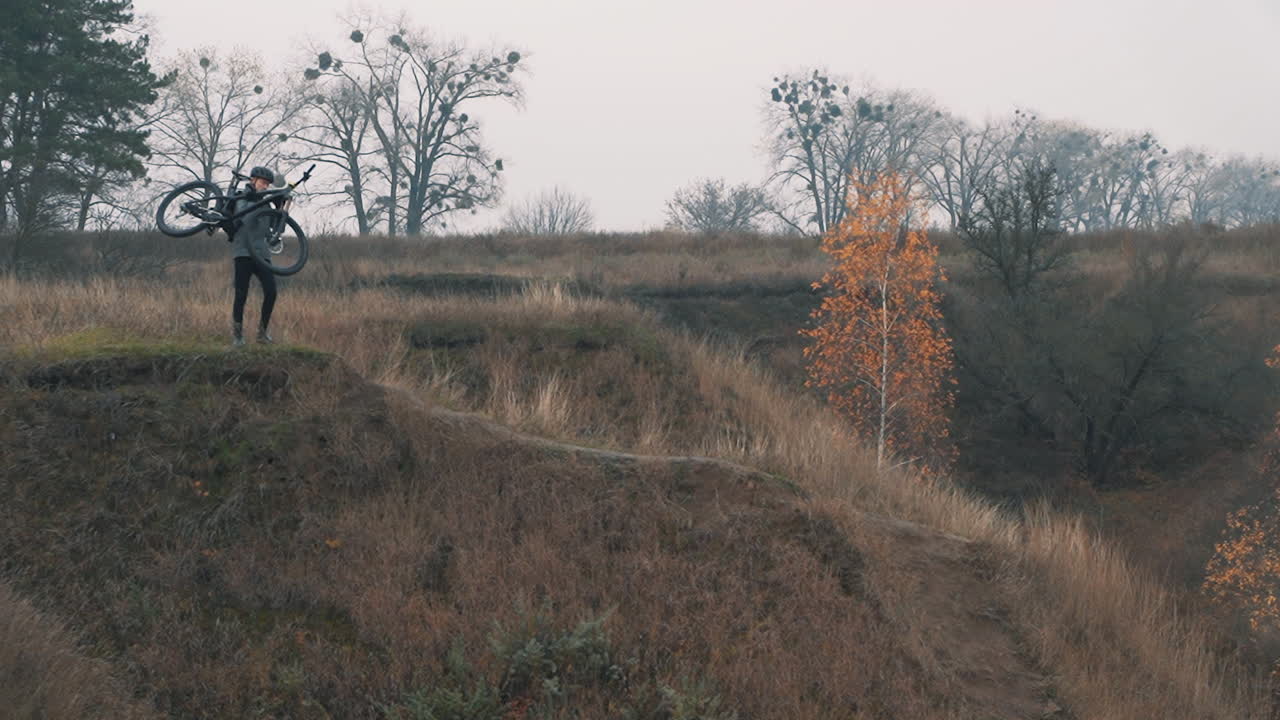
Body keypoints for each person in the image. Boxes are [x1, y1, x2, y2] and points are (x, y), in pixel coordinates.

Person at [227, 166, 281, 346]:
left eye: (267, 184)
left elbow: (275, 228)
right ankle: (237, 336)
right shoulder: (240, 197)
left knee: (271, 292)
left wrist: (279, 206)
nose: (265, 186)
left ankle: (262, 333)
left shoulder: (265, 202)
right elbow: (241, 217)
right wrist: (252, 199)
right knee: (241, 295)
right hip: (243, 252)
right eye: (263, 183)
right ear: (253, 181)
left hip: (262, 254)